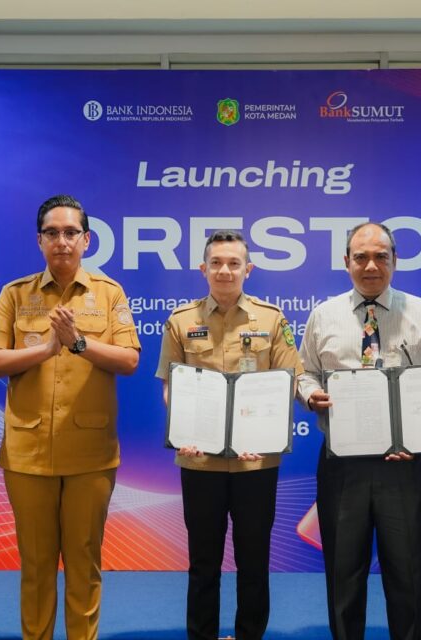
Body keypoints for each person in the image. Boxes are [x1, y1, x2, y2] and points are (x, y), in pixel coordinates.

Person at [0, 194, 141, 640]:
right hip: (28, 453)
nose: (62, 241)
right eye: (52, 233)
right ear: (39, 241)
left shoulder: (109, 294)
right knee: (35, 565)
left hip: (90, 453)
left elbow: (129, 360)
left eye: (71, 233)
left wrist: (79, 344)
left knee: (84, 563)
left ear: (86, 240)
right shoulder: (16, 294)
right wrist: (47, 349)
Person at [297, 222, 421, 640]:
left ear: (395, 260)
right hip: (342, 464)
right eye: (361, 257)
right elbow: (304, 373)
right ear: (346, 261)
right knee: (343, 574)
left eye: (381, 256)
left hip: (403, 463)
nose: (371, 266)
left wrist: (420, 438)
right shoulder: (324, 315)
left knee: (406, 572)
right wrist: (311, 396)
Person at [155, 230, 304, 640]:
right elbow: (170, 386)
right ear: (203, 269)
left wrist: (265, 431)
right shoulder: (181, 321)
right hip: (198, 458)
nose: (225, 270)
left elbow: (289, 381)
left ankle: (249, 634)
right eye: (216, 263)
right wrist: (183, 427)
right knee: (203, 561)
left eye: (234, 263)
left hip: (256, 460)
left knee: (254, 560)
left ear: (248, 269)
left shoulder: (272, 319)